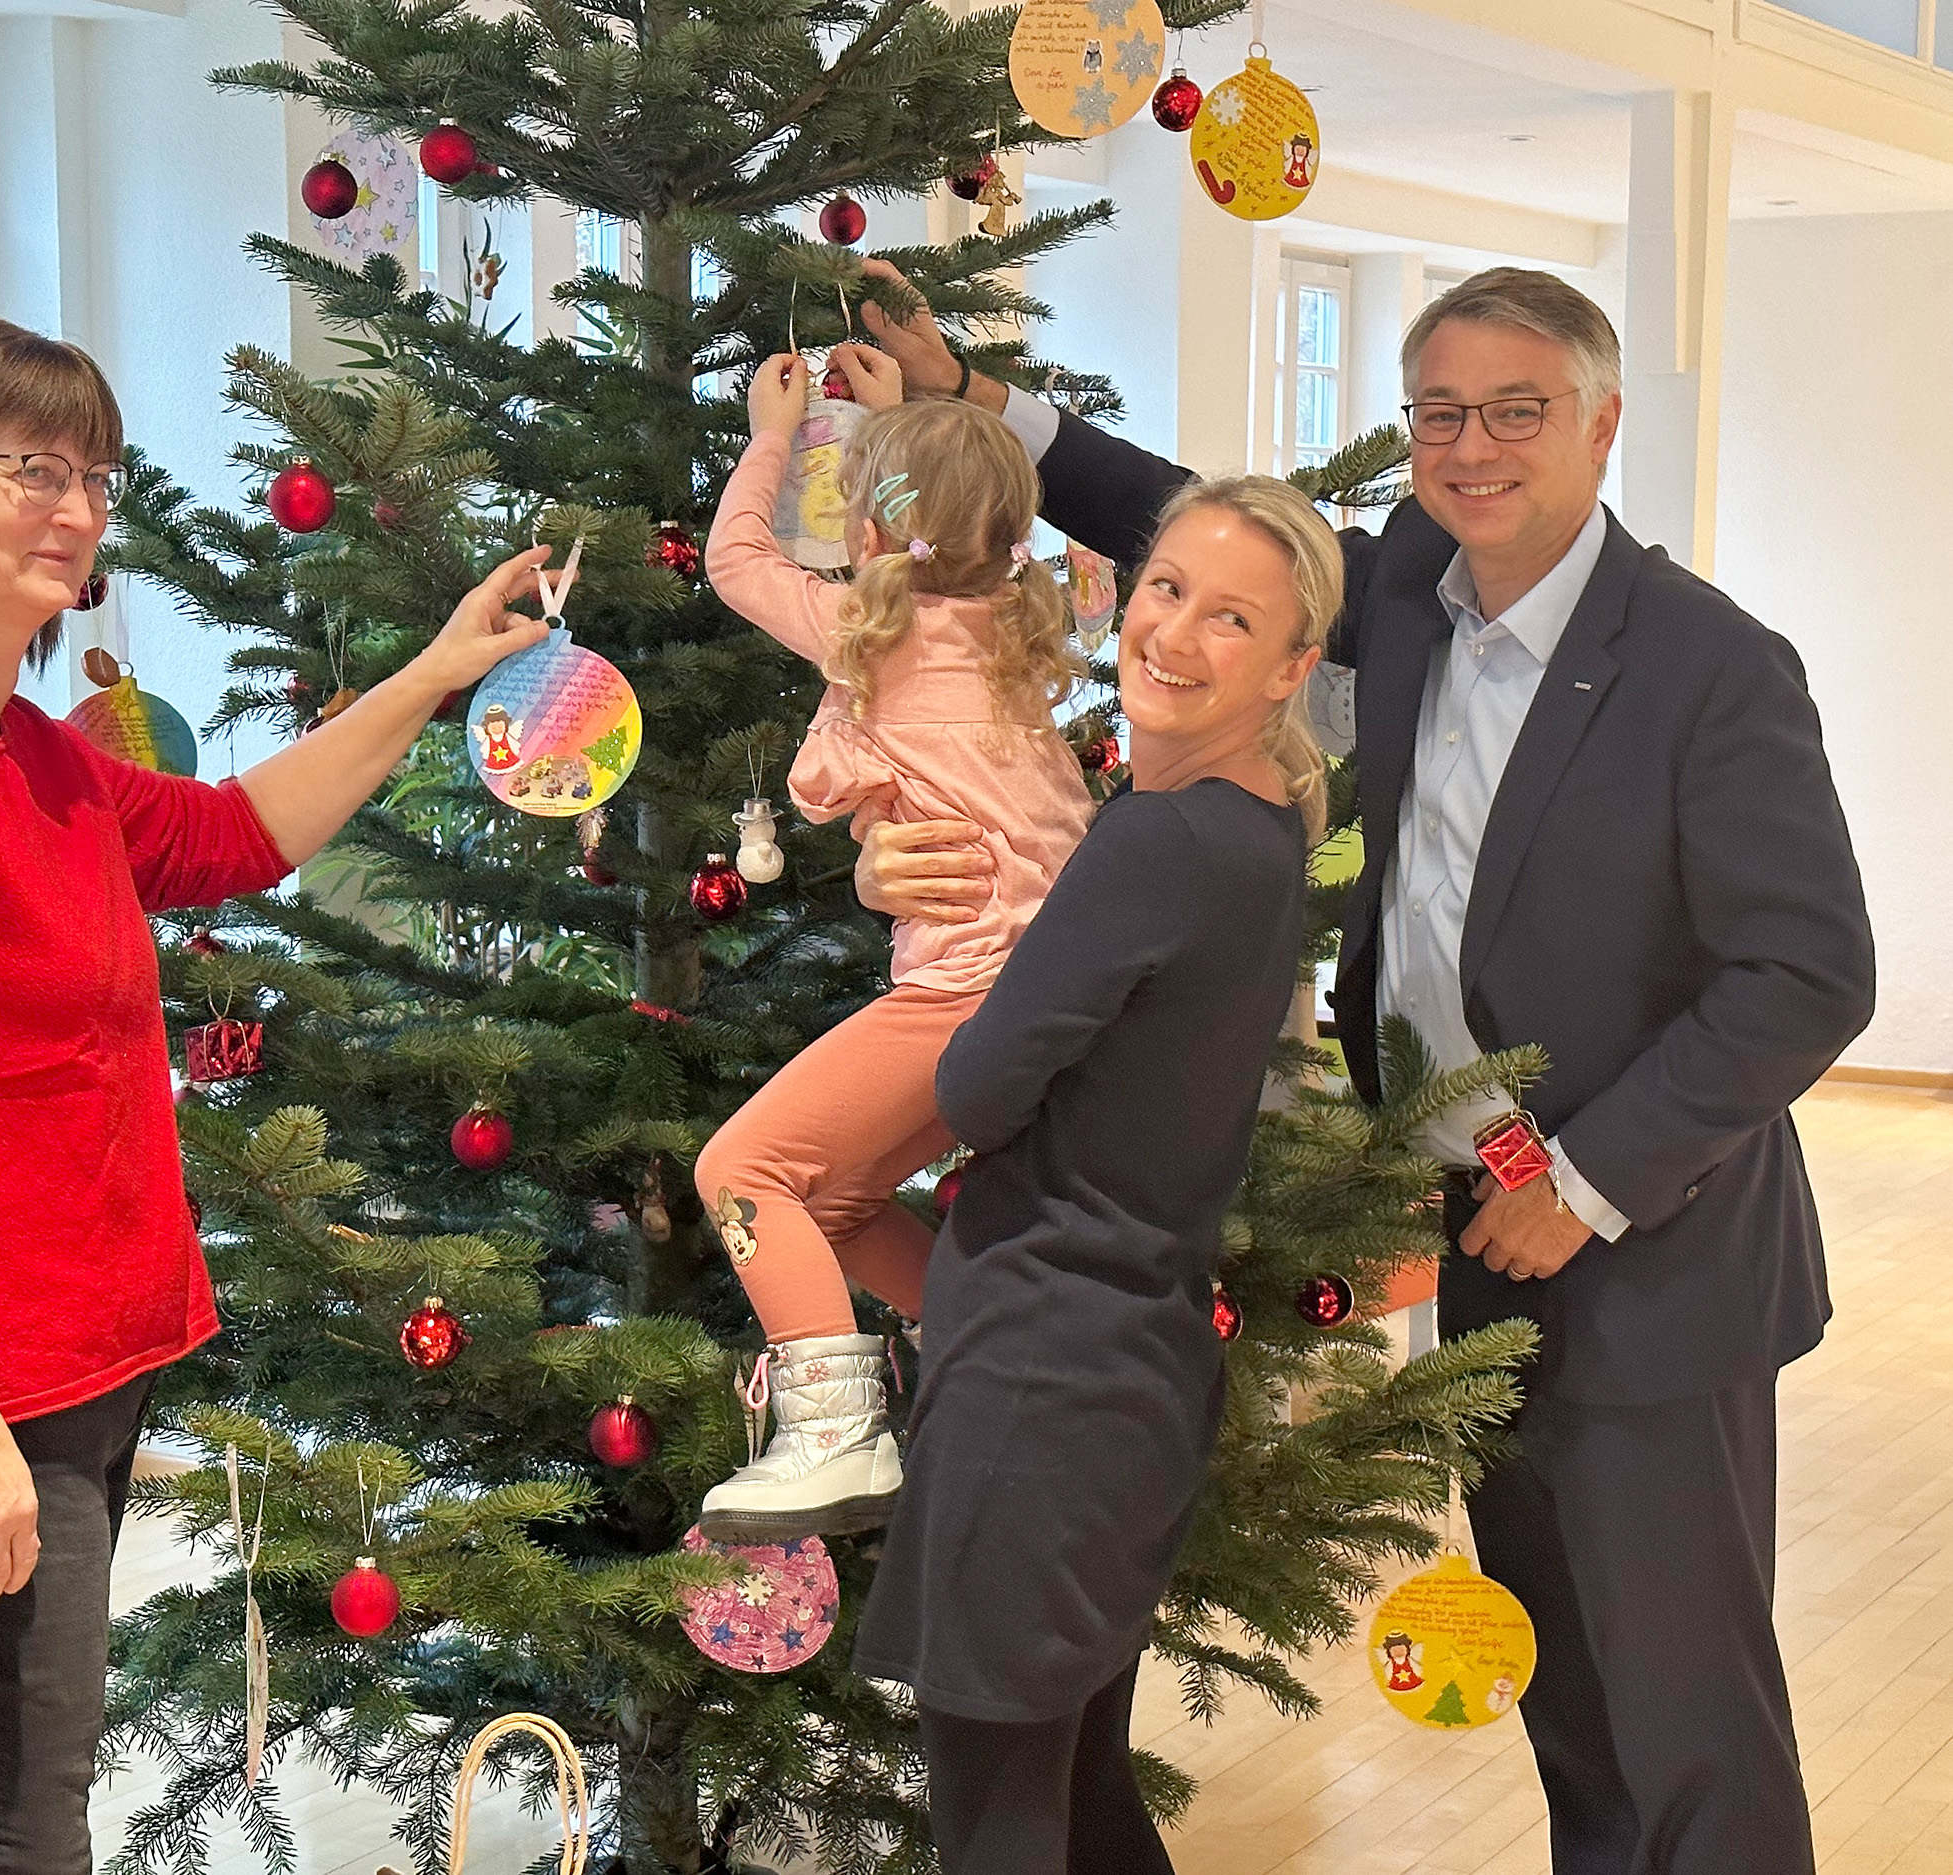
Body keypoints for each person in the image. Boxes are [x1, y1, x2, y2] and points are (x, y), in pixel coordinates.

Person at [855, 260, 1877, 1875]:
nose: (1472, 447)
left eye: (1516, 412)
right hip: (1480, 1232)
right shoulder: (1407, 584)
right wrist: (973, 396)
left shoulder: (1709, 664)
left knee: (1688, 1716)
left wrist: (1588, 1181)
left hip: (1650, 1252)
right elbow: (1198, 527)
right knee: (1569, 1694)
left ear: (1601, 424)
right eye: (1439, 413)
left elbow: (1810, 975)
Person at [0, 314, 551, 1874]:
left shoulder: (28, 752)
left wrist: (440, 669)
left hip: (66, 1385)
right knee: (10, 1839)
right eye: (32, 469)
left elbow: (236, 834)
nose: (75, 508)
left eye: (95, 477)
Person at [852, 471, 1339, 1874]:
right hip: (1127, 1372)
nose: (1172, 633)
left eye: (1230, 617)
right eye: (1166, 588)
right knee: (1081, 1800)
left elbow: (976, 1086)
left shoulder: (1158, 837)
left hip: (1041, 1378)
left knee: (1002, 1820)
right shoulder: (1257, 825)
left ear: (1291, 667)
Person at [691, 346, 1093, 1543]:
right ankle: (1001, 1367)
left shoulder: (870, 634)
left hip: (963, 994)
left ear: (868, 528)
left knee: (741, 1173)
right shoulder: (1015, 638)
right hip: (1045, 992)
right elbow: (936, 509)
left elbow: (734, 562)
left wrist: (773, 435)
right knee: (841, 1202)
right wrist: (898, 425)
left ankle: (834, 1435)